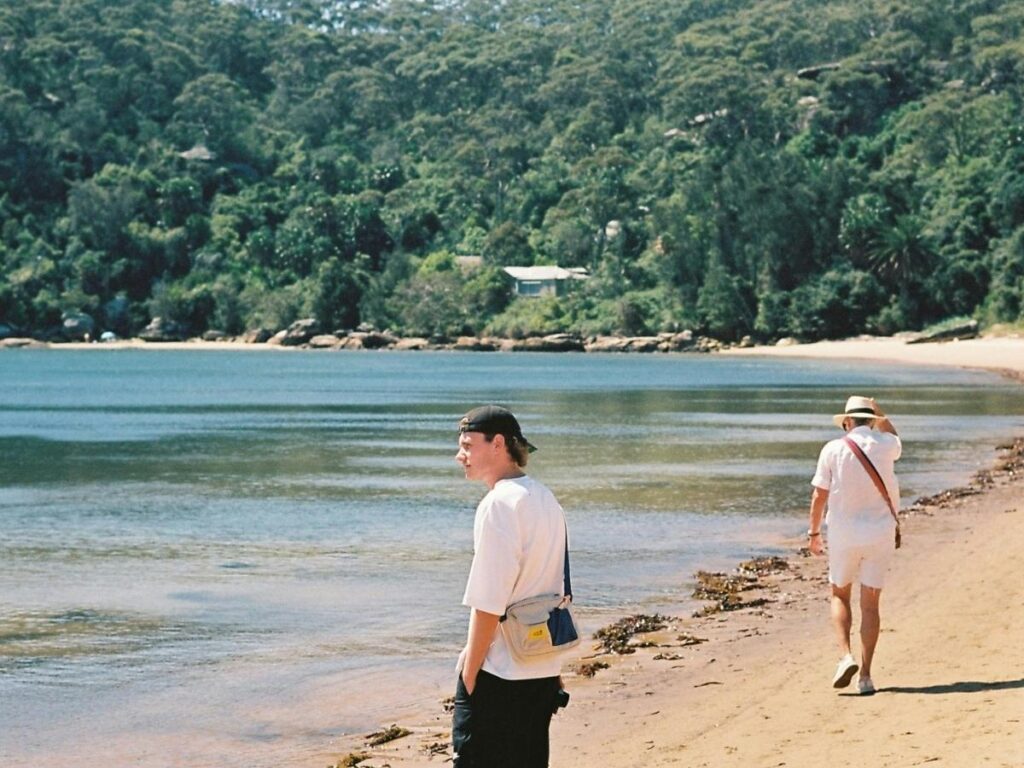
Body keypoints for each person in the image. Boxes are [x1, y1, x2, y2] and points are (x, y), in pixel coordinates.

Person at [451, 405, 570, 767]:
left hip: (500, 672)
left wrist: (469, 674)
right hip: (541, 667)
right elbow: (553, 589)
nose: (460, 455)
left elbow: (489, 599)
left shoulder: (499, 504)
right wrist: (554, 667)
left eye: (468, 445)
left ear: (498, 443)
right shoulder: (544, 497)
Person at [808, 395, 901, 696]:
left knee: (839, 593)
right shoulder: (885, 445)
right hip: (880, 534)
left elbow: (819, 495)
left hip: (844, 534)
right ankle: (866, 676)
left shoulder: (833, 449)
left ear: (846, 422)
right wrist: (880, 411)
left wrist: (813, 532)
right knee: (871, 604)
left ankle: (845, 656)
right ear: (872, 420)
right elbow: (894, 435)